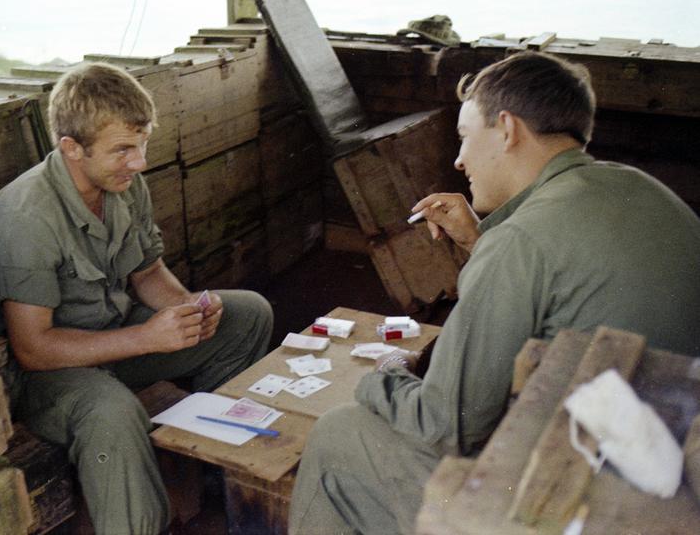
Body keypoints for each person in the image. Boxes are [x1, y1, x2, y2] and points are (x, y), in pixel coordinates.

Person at [288, 51, 700, 535]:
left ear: (506, 129)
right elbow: (561, 282)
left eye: (464, 137)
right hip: (667, 463)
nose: (459, 160)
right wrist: (480, 243)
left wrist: (381, 376)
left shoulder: (520, 242)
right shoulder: (637, 187)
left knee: (340, 433)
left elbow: (445, 427)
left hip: (588, 502)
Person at [0, 62, 273, 535]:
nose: (139, 162)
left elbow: (148, 272)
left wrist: (189, 308)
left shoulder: (122, 183)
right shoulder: (23, 217)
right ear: (71, 148)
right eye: (123, 150)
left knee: (248, 314)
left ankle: (224, 473)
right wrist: (148, 337)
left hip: (120, 337)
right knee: (113, 413)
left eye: (143, 145)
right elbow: (33, 349)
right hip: (50, 374)